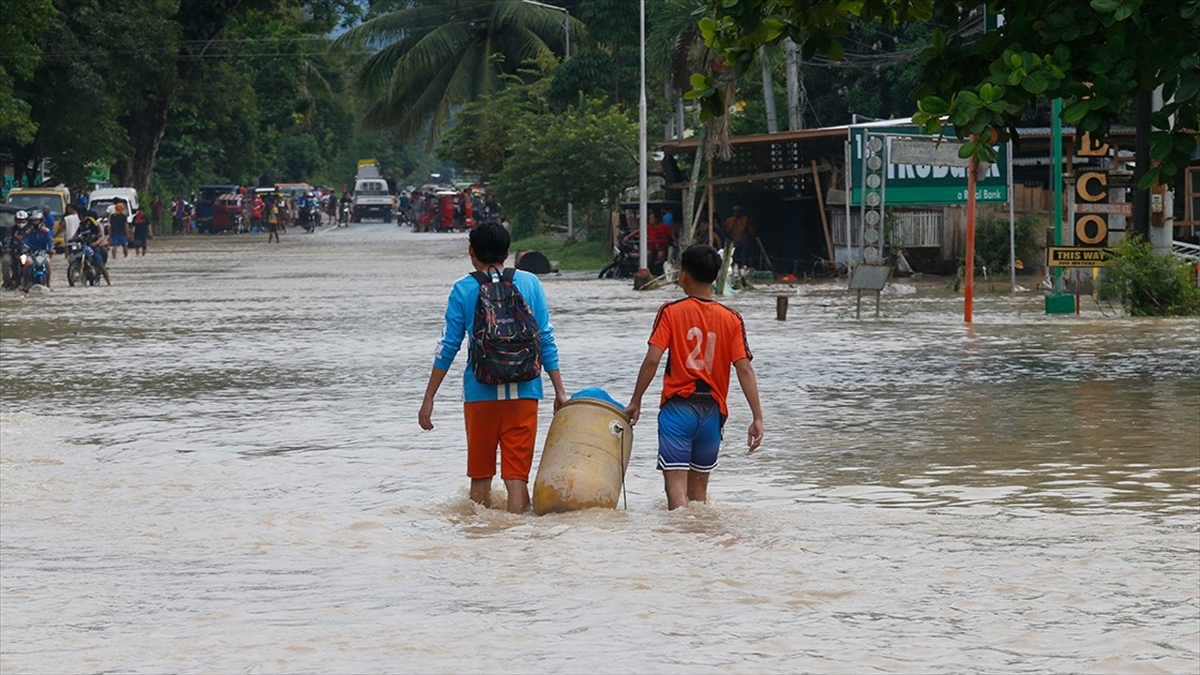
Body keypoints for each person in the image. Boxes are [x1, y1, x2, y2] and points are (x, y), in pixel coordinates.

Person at [418, 221, 567, 514]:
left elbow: (448, 346)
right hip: (525, 392)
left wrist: (429, 397)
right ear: (508, 252)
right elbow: (545, 337)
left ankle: (483, 542)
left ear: (471, 251)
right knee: (516, 478)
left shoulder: (463, 288)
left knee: (481, 476)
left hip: (480, 393)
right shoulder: (530, 283)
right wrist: (560, 390)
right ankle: (515, 540)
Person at [625, 244, 764, 510]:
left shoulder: (670, 312)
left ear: (684, 276)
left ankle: (679, 548)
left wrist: (636, 401)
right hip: (712, 414)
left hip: (678, 411)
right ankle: (701, 547)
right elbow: (744, 369)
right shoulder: (732, 319)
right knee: (699, 499)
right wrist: (757, 416)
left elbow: (652, 359)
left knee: (676, 497)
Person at [72, 213, 111, 285]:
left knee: (100, 263)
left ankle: (108, 282)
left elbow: (100, 235)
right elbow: (76, 234)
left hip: (94, 246)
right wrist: (72, 239)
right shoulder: (81, 225)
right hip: (84, 245)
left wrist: (95, 242)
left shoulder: (93, 223)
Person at [21, 211, 54, 289]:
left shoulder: (46, 231)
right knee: (27, 263)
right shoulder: (28, 233)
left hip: (43, 254)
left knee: (48, 264)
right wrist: (24, 249)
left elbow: (50, 242)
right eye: (33, 220)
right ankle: (25, 283)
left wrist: (52, 249)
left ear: (40, 221)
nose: (35, 222)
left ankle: (48, 283)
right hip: (31, 254)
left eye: (37, 220)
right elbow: (25, 243)